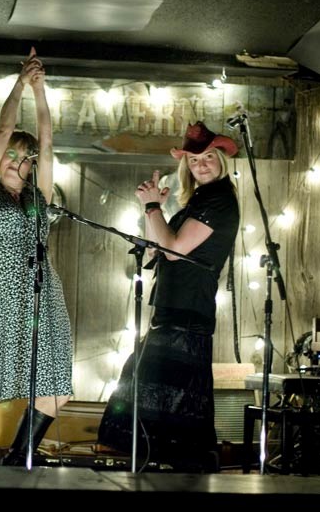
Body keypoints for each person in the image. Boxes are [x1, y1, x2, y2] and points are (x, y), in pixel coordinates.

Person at [97, 121, 239, 472]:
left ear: (221, 160)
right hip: (173, 308)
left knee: (167, 397)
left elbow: (173, 249)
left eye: (208, 157)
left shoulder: (219, 200)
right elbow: (154, 251)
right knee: (150, 391)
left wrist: (151, 208)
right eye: (193, 160)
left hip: (188, 312)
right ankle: (156, 470)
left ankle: (176, 474)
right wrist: (155, 208)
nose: (200, 165)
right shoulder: (200, 200)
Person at [0, 47, 73, 466]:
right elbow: (3, 129)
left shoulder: (38, 198)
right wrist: (20, 83)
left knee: (57, 389)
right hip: (4, 297)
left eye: (22, 158)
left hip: (43, 294)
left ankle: (17, 457)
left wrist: (42, 91)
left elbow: (46, 141)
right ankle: (17, 459)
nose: (15, 161)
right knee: (31, 383)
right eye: (10, 155)